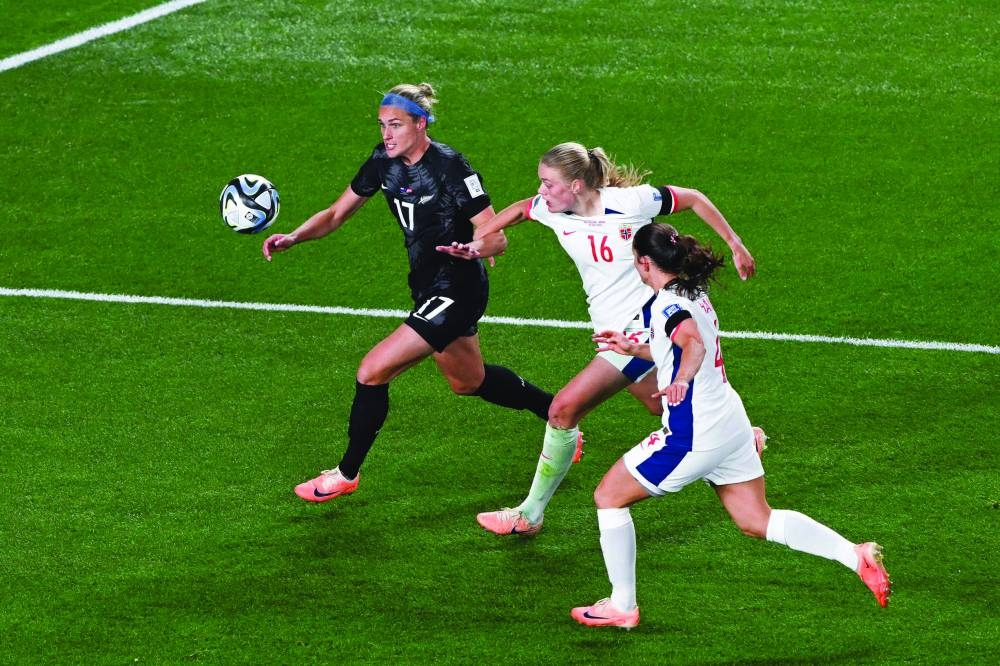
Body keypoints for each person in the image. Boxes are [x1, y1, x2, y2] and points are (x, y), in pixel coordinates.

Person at [569, 223, 891, 628]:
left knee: (608, 497)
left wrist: (681, 379)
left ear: (645, 262)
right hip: (730, 424)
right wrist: (635, 348)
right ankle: (854, 555)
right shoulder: (693, 292)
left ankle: (622, 606)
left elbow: (692, 344)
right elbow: (677, 343)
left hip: (693, 434)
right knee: (757, 520)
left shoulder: (667, 306)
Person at [439, 142, 761, 536]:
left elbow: (692, 198)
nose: (541, 191)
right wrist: (480, 238)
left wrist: (735, 243)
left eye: (548, 183)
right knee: (657, 403)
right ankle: (739, 439)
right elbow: (522, 209)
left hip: (642, 325)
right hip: (613, 331)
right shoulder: (553, 209)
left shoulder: (630, 203)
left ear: (576, 185)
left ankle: (529, 514)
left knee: (562, 410)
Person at [262, 83, 555, 502]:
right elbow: (336, 213)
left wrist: (476, 247)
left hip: (458, 289)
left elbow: (496, 235)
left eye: (395, 125)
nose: (387, 134)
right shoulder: (383, 162)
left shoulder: (451, 167)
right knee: (468, 381)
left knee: (372, 370)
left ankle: (346, 473)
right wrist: (294, 237)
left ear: (421, 123)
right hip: (426, 287)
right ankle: (559, 414)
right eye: (382, 125)